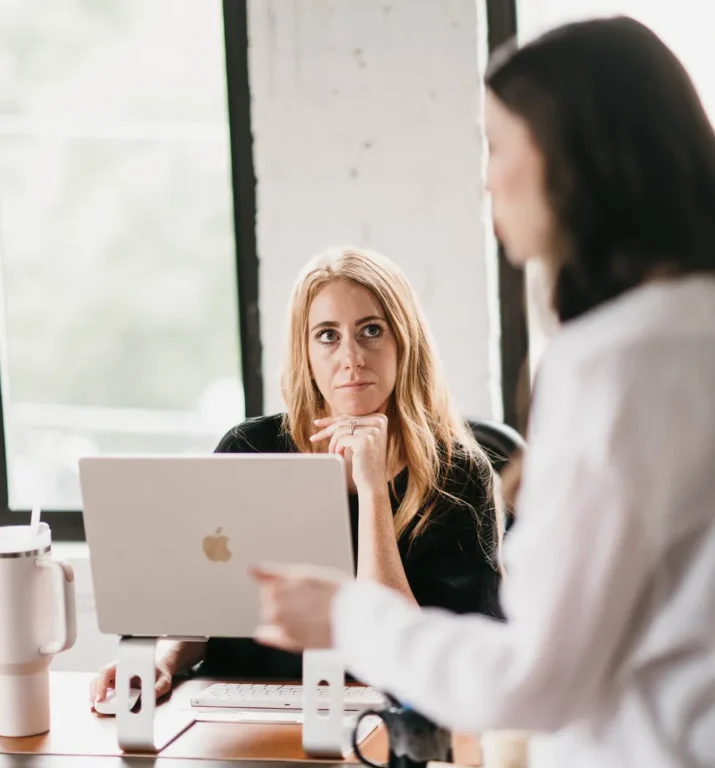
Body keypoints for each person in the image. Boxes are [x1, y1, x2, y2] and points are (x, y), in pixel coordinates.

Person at [250, 17, 715, 767]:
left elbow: (534, 675)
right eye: (325, 335)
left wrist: (344, 615)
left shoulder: (614, 366)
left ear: (576, 158)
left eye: (496, 147)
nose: (485, 178)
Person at [90, 246, 504, 707]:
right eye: (327, 336)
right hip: (245, 708)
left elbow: (426, 660)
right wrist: (163, 659)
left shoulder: (459, 477)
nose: (351, 357)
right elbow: (208, 610)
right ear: (305, 352)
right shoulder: (249, 450)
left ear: (403, 343)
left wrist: (372, 490)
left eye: (371, 330)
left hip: (386, 718)